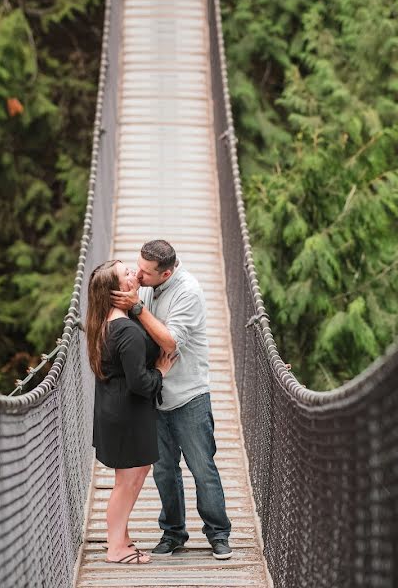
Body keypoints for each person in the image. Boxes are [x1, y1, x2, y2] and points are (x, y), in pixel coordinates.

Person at [111, 240, 233, 560]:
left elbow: (170, 341)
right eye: (136, 267)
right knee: (164, 471)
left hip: (189, 395)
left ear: (166, 272)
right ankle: (173, 533)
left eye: (145, 272)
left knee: (201, 468)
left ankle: (218, 534)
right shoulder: (147, 283)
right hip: (156, 394)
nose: (138, 275)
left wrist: (137, 307)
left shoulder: (188, 292)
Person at [86, 259, 176, 565]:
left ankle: (121, 537)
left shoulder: (106, 321)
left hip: (116, 411)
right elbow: (139, 383)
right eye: (126, 273)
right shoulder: (126, 329)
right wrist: (161, 372)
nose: (133, 274)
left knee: (134, 475)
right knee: (127, 481)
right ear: (117, 289)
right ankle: (116, 549)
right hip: (127, 413)